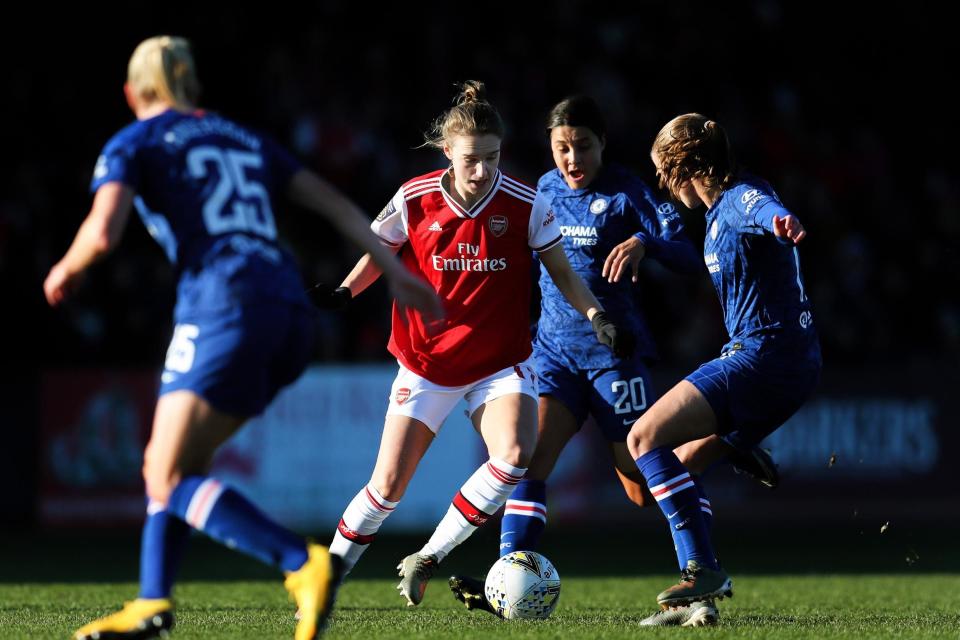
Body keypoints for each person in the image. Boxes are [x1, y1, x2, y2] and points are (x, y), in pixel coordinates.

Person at [44, 36, 441, 640]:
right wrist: (393, 275)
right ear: (194, 87)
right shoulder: (242, 137)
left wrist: (64, 269)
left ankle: (302, 564)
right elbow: (333, 203)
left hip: (224, 302)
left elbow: (102, 232)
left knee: (164, 473)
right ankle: (153, 602)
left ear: (132, 93)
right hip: (288, 311)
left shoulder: (135, 140)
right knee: (179, 465)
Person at [447, 96, 779, 617]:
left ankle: (717, 444)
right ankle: (508, 578)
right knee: (529, 463)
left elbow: (691, 257)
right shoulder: (545, 189)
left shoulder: (629, 193)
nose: (571, 158)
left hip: (613, 358)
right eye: (561, 148)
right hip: (554, 353)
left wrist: (646, 242)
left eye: (582, 146)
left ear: (602, 143)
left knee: (643, 490)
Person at [319, 81, 628, 608]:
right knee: (387, 489)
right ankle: (322, 580)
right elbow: (380, 249)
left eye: (492, 157)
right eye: (471, 160)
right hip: (427, 361)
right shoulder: (415, 198)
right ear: (447, 153)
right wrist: (347, 290)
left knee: (513, 456)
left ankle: (429, 557)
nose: (483, 170)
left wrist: (595, 312)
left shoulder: (526, 203)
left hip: (500, 362)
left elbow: (563, 272)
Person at [627, 113, 822, 626]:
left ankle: (700, 569)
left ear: (680, 167)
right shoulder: (721, 212)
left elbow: (765, 211)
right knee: (676, 474)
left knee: (644, 439)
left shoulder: (737, 200)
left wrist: (784, 220)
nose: (662, 185)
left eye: (661, 172)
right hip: (796, 366)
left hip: (761, 357)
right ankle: (699, 603)